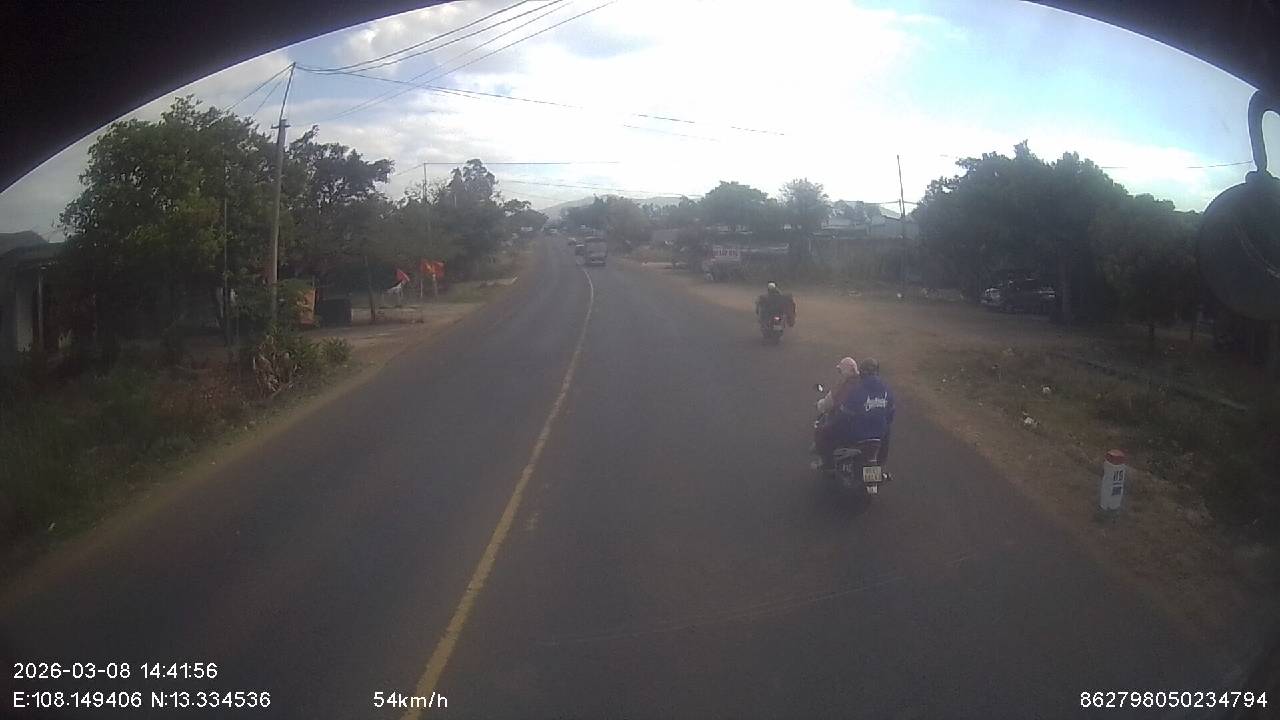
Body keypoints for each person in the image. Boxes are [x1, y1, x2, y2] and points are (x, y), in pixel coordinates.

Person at [818, 357, 896, 470]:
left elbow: (845, 413)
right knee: (887, 430)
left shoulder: (857, 389)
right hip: (879, 434)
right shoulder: (886, 388)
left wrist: (834, 422)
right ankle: (880, 462)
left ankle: (829, 466)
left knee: (825, 432)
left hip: (858, 433)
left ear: (862, 373)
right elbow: (891, 412)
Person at [812, 357, 859, 460]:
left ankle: (827, 462)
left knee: (823, 432)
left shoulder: (843, 386)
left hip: (845, 422)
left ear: (845, 371)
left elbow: (828, 403)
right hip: (862, 424)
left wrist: (819, 405)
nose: (840, 373)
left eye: (840, 371)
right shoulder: (863, 383)